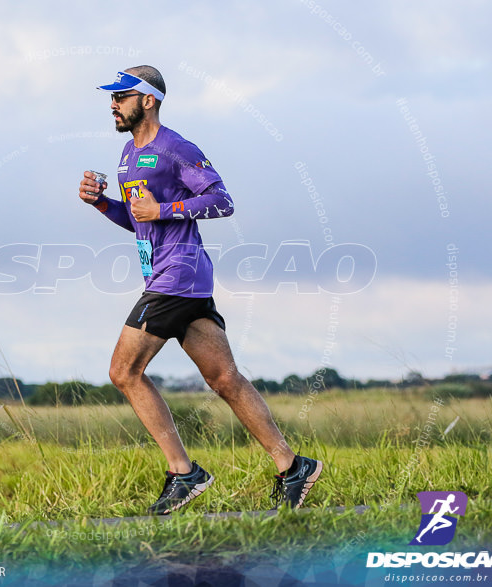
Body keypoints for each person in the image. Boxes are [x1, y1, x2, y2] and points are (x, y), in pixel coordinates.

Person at [77, 65, 322, 514]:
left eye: (120, 96)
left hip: (179, 275)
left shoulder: (176, 148)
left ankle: (183, 472)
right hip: (174, 278)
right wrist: (101, 203)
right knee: (224, 379)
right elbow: (139, 219)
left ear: (147, 100)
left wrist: (166, 207)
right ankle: (293, 466)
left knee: (123, 372)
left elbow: (222, 200)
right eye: (111, 97)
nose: (112, 104)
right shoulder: (129, 155)